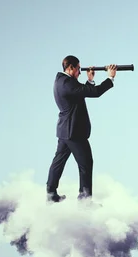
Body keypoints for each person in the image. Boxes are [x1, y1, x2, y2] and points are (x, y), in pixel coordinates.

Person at [46, 56, 116, 203]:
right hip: (74, 133)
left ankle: (51, 195)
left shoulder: (62, 81)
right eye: (78, 68)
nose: (80, 71)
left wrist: (89, 80)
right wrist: (110, 78)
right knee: (86, 164)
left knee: (58, 162)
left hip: (65, 131)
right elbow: (94, 92)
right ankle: (85, 201)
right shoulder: (67, 84)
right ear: (70, 67)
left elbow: (80, 92)